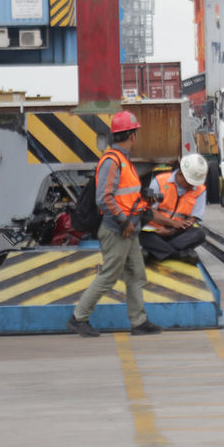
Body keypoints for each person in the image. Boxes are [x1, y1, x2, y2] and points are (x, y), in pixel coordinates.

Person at [68, 111, 163, 338]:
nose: (137, 138)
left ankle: (138, 322)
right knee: (110, 275)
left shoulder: (123, 161)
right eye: (136, 134)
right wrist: (123, 222)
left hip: (129, 228)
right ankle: (78, 318)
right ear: (131, 136)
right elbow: (104, 198)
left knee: (137, 274)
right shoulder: (112, 161)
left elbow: (125, 197)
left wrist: (144, 202)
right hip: (117, 229)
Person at [139, 154, 209, 264]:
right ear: (180, 174)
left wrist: (172, 231)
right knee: (140, 233)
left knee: (199, 234)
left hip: (177, 234)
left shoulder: (200, 190)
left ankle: (154, 252)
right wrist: (172, 224)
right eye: (190, 183)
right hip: (155, 231)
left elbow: (192, 220)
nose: (192, 187)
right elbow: (149, 212)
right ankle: (179, 255)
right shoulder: (160, 181)